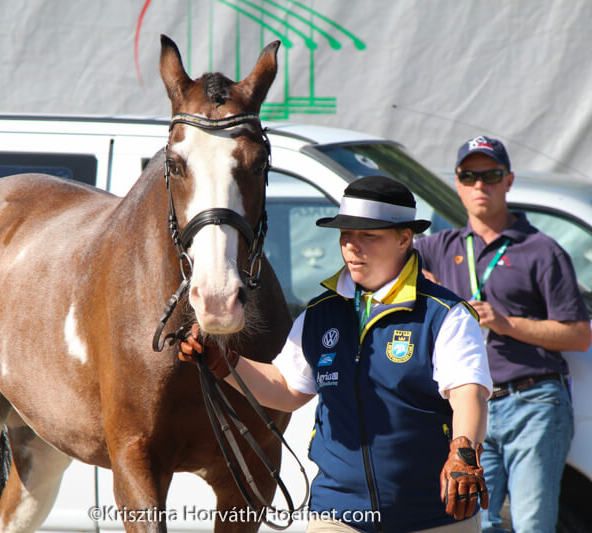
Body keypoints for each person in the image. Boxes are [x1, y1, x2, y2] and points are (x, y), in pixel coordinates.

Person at [180, 175, 493, 533]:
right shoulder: (320, 312)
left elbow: (468, 393)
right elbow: (286, 389)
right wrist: (225, 363)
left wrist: (464, 452)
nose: (352, 247)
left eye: (368, 235)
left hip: (434, 516)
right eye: (346, 234)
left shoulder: (445, 313)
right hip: (339, 514)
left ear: (404, 238)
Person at [414, 136, 592, 533]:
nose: (480, 185)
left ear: (508, 180)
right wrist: (420, 281)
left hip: (532, 402)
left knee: (532, 524)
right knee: (475, 523)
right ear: (457, 183)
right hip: (469, 408)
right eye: (469, 176)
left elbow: (579, 336)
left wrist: (503, 322)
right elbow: (386, 260)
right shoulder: (439, 247)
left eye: (491, 175)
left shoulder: (541, 249)